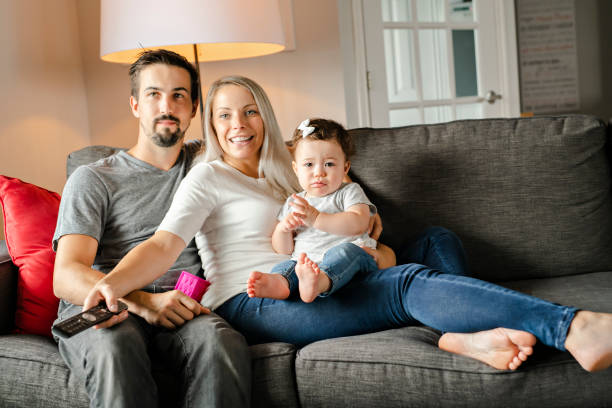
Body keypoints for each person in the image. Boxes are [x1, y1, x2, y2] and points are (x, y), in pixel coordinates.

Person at [84, 75, 612, 374]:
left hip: (323, 271)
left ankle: (458, 335)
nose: (237, 125)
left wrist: (371, 238)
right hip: (259, 300)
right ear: (211, 125)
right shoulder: (207, 178)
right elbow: (162, 245)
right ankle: (573, 328)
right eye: (223, 115)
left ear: (265, 117)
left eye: (248, 112)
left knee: (433, 240)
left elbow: (356, 218)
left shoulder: (286, 174)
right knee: (407, 283)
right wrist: (111, 285)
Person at [52, 51, 251, 408]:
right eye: (153, 94)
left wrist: (349, 199)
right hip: (106, 304)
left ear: (193, 109)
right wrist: (144, 302)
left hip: (184, 308)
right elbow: (65, 276)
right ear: (135, 105)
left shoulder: (210, 164)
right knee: (116, 347)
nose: (167, 106)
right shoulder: (95, 178)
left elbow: (291, 156)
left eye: (179, 95)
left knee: (223, 342)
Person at [247, 118, 389, 303]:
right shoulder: (295, 202)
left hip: (352, 262)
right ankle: (280, 283)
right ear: (296, 169)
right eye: (309, 165)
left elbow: (359, 223)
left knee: (346, 252)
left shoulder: (348, 192)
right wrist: (283, 229)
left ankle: (321, 281)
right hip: (307, 265)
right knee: (288, 265)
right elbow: (283, 249)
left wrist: (316, 218)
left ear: (345, 167)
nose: (319, 172)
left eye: (329, 164)